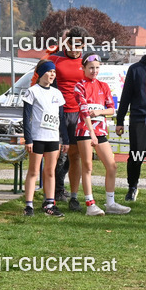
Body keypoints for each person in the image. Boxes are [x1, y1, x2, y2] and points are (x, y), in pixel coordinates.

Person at [75, 54, 131, 216]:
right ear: (84, 68)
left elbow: (111, 109)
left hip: (100, 131)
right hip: (84, 131)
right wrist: (91, 133)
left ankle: (110, 203)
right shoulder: (79, 86)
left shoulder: (104, 86)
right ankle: (90, 204)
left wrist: (99, 111)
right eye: (91, 67)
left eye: (97, 67)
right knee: (88, 167)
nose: (94, 71)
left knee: (112, 166)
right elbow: (84, 111)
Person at [116, 32, 146, 201]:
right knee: (136, 155)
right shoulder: (135, 69)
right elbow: (126, 96)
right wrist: (119, 120)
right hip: (139, 119)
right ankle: (132, 187)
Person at [49, 26, 92, 211]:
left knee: (75, 157)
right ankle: (51, 197)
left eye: (80, 45)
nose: (77, 48)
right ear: (67, 42)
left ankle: (74, 197)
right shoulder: (54, 59)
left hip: (79, 115)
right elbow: (40, 84)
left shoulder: (86, 61)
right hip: (59, 113)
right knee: (54, 157)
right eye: (74, 44)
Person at [21, 60, 66, 217]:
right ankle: (29, 206)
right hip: (37, 137)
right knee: (34, 171)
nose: (52, 74)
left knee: (50, 171)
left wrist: (64, 139)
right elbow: (26, 118)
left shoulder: (57, 94)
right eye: (49, 71)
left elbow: (61, 118)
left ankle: (49, 203)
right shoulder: (32, 92)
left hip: (53, 138)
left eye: (54, 71)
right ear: (41, 74)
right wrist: (28, 139)